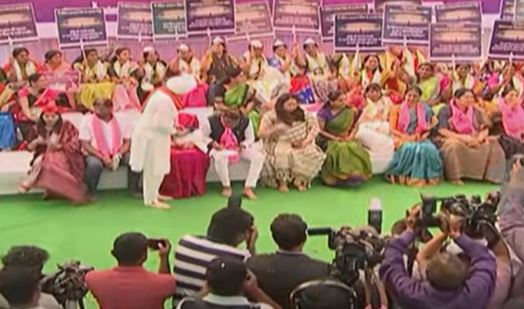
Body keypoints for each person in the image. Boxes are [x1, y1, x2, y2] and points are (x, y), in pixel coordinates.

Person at [379, 207, 497, 309]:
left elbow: (391, 260)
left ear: (425, 274)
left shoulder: (411, 295)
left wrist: (411, 230)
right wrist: (458, 236)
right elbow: (485, 259)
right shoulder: (475, 295)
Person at [172, 206, 257, 304]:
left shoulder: (185, 242)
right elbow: (253, 283)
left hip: (181, 305)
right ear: (246, 233)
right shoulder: (241, 257)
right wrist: (251, 248)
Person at [247, 214, 329, 309]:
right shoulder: (323, 270)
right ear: (304, 238)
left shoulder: (254, 265)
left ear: (274, 238)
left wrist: (250, 247)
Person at [85, 232, 176, 309]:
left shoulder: (93, 279)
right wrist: (164, 258)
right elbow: (166, 283)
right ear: (143, 257)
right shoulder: (164, 283)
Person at [19, 105, 87, 203]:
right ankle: (52, 191)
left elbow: (76, 143)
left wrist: (60, 146)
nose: (50, 119)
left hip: (66, 155)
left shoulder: (67, 125)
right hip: (43, 155)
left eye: (53, 116)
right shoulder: (36, 128)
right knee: (42, 160)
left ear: (58, 117)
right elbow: (28, 148)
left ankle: (29, 184)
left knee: (48, 161)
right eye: (47, 116)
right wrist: (36, 142)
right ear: (42, 117)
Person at [436, 88, 506, 184]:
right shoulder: (446, 110)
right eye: (466, 97)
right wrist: (463, 138)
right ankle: (455, 177)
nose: (470, 100)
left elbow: (485, 128)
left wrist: (479, 139)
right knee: (453, 146)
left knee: (493, 143)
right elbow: (442, 130)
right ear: (456, 99)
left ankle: (492, 177)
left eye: (471, 97)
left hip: (474, 137)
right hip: (454, 137)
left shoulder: (477, 111)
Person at [259, 94, 325, 192]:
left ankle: (299, 180)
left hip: (302, 142)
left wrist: (305, 142)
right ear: (281, 105)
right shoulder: (271, 115)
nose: (292, 107)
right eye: (289, 104)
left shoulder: (303, 114)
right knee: (283, 154)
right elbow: (261, 133)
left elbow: (315, 128)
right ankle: (283, 182)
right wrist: (275, 129)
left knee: (311, 153)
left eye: (294, 104)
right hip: (280, 142)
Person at [130, 78, 179, 209]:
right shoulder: (164, 100)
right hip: (152, 137)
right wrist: (175, 131)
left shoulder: (162, 96)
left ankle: (155, 193)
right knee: (153, 168)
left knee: (159, 167)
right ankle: (150, 199)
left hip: (158, 137)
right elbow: (160, 123)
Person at [80, 98, 142, 199]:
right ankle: (91, 191)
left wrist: (118, 154)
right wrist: (102, 156)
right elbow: (85, 144)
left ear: (111, 108)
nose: (98, 110)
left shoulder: (122, 119)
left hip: (118, 152)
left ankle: (134, 188)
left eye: (102, 107)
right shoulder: (87, 120)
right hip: (95, 153)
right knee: (94, 165)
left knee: (134, 159)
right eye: (96, 107)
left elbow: (127, 142)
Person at [385, 86, 443, 186]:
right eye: (409, 95)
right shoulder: (396, 109)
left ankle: (429, 179)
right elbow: (392, 129)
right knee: (413, 149)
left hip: (419, 137)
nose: (411, 98)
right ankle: (408, 178)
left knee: (429, 149)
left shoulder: (424, 109)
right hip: (401, 136)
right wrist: (407, 137)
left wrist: (424, 135)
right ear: (405, 96)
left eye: (415, 96)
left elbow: (428, 127)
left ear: (419, 98)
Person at [202, 108, 265, 199]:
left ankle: (249, 187)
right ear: (222, 116)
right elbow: (202, 135)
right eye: (227, 122)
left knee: (258, 157)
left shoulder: (246, 121)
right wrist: (212, 143)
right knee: (220, 158)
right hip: (219, 147)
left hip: (238, 147)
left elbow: (250, 138)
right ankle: (226, 186)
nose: (230, 125)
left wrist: (243, 145)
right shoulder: (210, 121)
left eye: (234, 124)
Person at [316, 91, 372, 186]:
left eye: (345, 99)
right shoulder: (324, 113)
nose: (344, 102)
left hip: (346, 138)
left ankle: (355, 174)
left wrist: (351, 136)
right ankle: (339, 177)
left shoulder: (351, 110)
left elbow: (355, 126)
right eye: (340, 100)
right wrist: (335, 138)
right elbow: (320, 131)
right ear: (331, 102)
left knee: (354, 146)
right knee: (340, 148)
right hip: (328, 139)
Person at [177, 257, 275, 309]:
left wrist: (206, 289)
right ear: (245, 284)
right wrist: (256, 291)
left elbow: (194, 300)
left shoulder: (186, 305)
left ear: (207, 283)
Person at [159, 112, 210, 199]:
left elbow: (200, 144)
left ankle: (192, 188)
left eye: (184, 128)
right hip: (172, 151)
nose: (181, 130)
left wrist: (191, 143)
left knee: (192, 157)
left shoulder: (197, 134)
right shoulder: (167, 131)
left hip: (192, 152)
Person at [355, 83, 395, 174]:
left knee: (387, 128)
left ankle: (384, 150)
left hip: (383, 125)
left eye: (377, 91)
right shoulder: (363, 102)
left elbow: (391, 115)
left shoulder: (386, 101)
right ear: (366, 93)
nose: (375, 94)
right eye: (372, 91)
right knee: (361, 132)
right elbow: (359, 120)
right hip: (366, 126)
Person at [109, 47, 141, 111]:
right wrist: (118, 80)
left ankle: (130, 105)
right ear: (117, 56)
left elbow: (135, 77)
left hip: (130, 84)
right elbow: (113, 77)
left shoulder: (133, 65)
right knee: (118, 87)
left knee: (129, 87)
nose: (127, 56)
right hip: (118, 83)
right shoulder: (112, 66)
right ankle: (120, 106)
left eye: (128, 54)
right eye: (124, 54)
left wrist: (127, 79)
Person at [498, 87, 524, 161]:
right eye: (511, 95)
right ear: (504, 97)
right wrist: (510, 106)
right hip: (511, 140)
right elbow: (509, 127)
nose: (514, 98)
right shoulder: (503, 109)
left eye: (516, 95)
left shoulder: (519, 108)